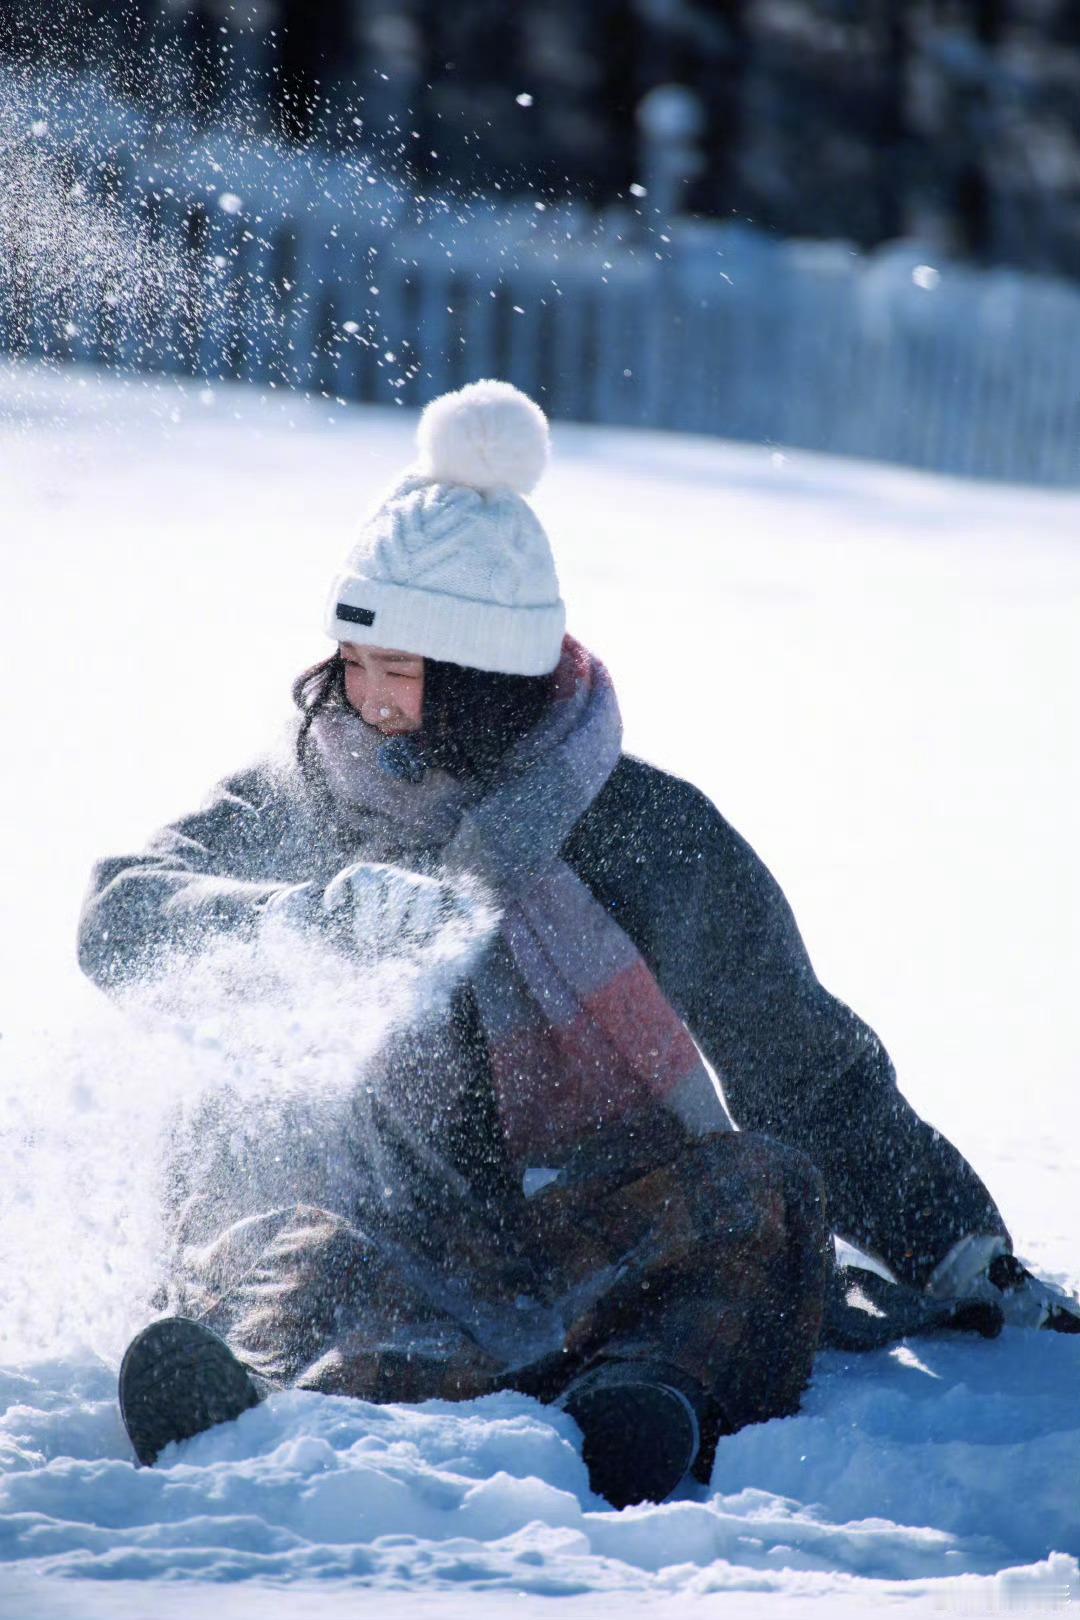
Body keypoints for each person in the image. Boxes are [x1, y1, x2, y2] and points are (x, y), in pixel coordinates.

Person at [79, 381, 1078, 1507]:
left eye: (398, 675)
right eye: (351, 666)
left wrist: (954, 1242)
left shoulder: (643, 830)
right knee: (255, 1193)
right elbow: (121, 920)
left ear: (484, 681)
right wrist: (298, 925)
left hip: (587, 1229)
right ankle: (249, 1405)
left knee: (766, 1195)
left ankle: (643, 1400)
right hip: (372, 1230)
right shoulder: (301, 796)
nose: (363, 704)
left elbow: (801, 1064)